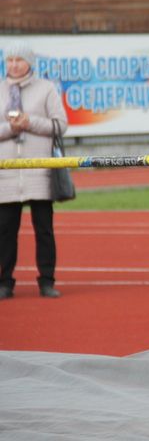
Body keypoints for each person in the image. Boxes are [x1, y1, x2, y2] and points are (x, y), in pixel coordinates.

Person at [0, 40, 68, 299]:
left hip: (39, 171)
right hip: (6, 175)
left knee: (44, 229)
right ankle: (5, 282)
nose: (14, 65)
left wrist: (30, 122)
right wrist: (11, 129)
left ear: (30, 62)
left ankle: (46, 280)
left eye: (19, 60)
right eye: (10, 60)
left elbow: (60, 125)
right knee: (5, 232)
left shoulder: (46, 89)